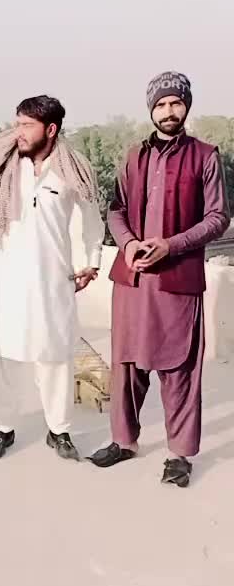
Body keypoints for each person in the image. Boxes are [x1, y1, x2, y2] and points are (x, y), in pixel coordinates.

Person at [89, 71, 230, 487]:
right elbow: (115, 208)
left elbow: (218, 217)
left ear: (186, 107)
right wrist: (129, 243)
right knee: (127, 363)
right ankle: (123, 441)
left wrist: (171, 245)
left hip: (177, 280)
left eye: (176, 103)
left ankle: (179, 455)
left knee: (179, 366)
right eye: (162, 104)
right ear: (151, 109)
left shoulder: (205, 156)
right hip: (132, 280)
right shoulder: (134, 155)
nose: (169, 111)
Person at [0, 95, 104, 462]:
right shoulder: (6, 166)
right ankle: (2, 427)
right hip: (10, 278)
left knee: (56, 356)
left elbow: (91, 218)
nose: (19, 132)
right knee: (5, 356)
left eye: (28, 125)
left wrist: (90, 262)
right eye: (17, 123)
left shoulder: (72, 170)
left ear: (51, 129)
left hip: (53, 279)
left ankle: (59, 430)